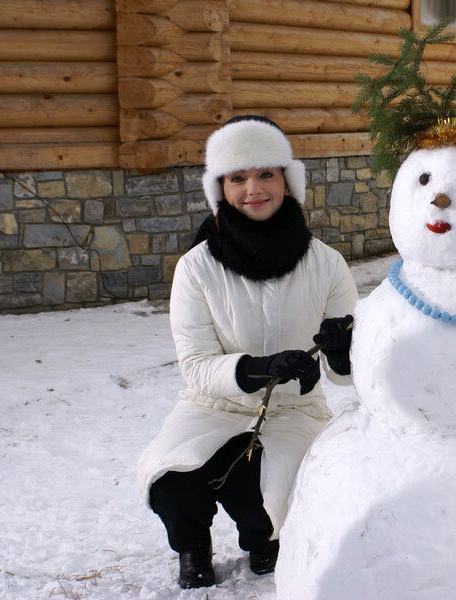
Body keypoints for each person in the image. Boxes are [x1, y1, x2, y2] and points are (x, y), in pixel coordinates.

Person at [136, 115, 358, 589]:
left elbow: (347, 376)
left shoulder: (326, 263)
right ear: (221, 188)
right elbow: (195, 367)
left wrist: (341, 353)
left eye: (265, 174)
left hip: (294, 410)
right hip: (212, 406)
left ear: (287, 181)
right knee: (171, 477)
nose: (252, 189)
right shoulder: (196, 267)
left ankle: (265, 536)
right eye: (237, 178)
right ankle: (193, 544)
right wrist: (256, 369)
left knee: (271, 495)